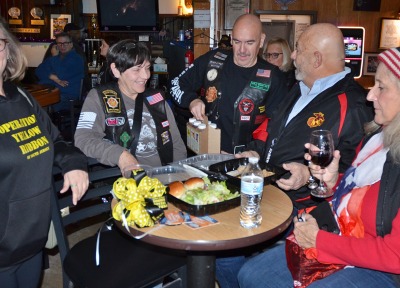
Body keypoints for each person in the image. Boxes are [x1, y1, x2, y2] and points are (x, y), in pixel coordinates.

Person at [215, 23, 373, 288]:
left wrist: (309, 177)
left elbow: (358, 178)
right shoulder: (300, 86)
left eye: (299, 50)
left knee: (246, 272)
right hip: (269, 194)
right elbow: (273, 130)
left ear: (316, 59)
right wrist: (254, 152)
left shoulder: (356, 104)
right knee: (221, 253)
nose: (294, 56)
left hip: (306, 213)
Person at [237, 46, 400, 288]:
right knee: (251, 277)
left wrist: (320, 240)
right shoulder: (379, 136)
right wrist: (334, 181)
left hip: (384, 271)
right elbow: (365, 195)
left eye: (381, 87)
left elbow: (394, 255)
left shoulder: (354, 106)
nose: (370, 96)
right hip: (342, 233)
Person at [0, 18, 89, 288]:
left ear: (8, 50)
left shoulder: (22, 98)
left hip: (32, 240)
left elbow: (58, 141)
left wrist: (74, 164)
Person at [170, 13, 287, 154]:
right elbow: (176, 84)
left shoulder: (273, 77)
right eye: (237, 42)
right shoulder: (213, 60)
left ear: (261, 41)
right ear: (231, 39)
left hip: (246, 158)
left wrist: (256, 150)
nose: (242, 50)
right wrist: (191, 100)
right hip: (206, 152)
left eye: (249, 43)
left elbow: (277, 124)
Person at [74, 39, 187, 171]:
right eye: (137, 69)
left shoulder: (156, 99)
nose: (145, 76)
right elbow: (83, 139)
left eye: (147, 68)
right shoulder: (98, 97)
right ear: (116, 70)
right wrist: (119, 155)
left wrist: (178, 174)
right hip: (123, 181)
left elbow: (177, 144)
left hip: (162, 176)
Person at [35, 32, 85, 112]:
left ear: (71, 44)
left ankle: (46, 124)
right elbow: (38, 71)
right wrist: (54, 78)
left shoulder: (76, 59)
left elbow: (61, 74)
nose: (62, 46)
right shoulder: (56, 57)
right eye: (59, 43)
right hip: (54, 92)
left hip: (67, 97)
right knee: (32, 101)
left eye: (65, 43)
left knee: (40, 106)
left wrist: (54, 58)